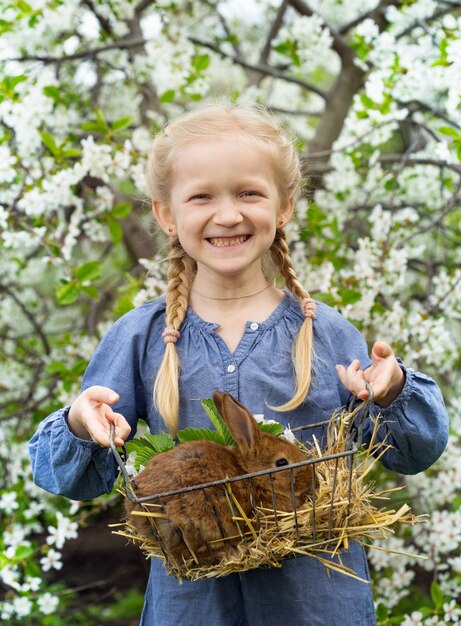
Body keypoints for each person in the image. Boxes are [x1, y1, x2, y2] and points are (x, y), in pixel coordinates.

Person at [29, 103, 448, 626]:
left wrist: (391, 390)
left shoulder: (325, 332)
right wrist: (82, 422)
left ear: (285, 206)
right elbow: (69, 478)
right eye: (202, 196)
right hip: (194, 607)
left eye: (248, 193)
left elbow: (415, 452)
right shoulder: (142, 337)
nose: (227, 214)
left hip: (315, 606)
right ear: (166, 214)